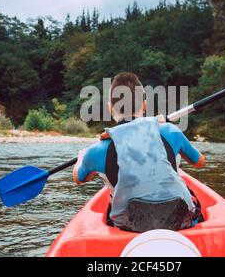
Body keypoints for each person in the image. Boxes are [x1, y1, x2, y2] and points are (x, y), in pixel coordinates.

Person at [73, 72, 205, 232]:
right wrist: (160, 125)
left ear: (110, 108)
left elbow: (79, 179)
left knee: (110, 199)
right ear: (144, 105)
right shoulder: (171, 130)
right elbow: (199, 162)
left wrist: (82, 157)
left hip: (130, 227)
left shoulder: (96, 150)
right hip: (179, 221)